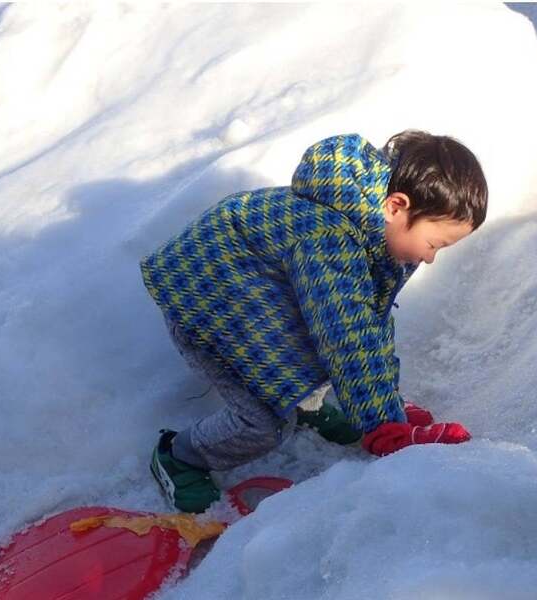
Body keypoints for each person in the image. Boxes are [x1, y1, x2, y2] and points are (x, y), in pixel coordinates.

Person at [140, 130, 488, 512]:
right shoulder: (329, 240)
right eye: (435, 244)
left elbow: (367, 327)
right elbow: (347, 338)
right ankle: (180, 454)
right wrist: (385, 427)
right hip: (207, 304)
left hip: (256, 297)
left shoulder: (377, 237)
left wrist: (388, 410)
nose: (430, 259)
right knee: (262, 423)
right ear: (396, 206)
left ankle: (306, 403)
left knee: (321, 333)